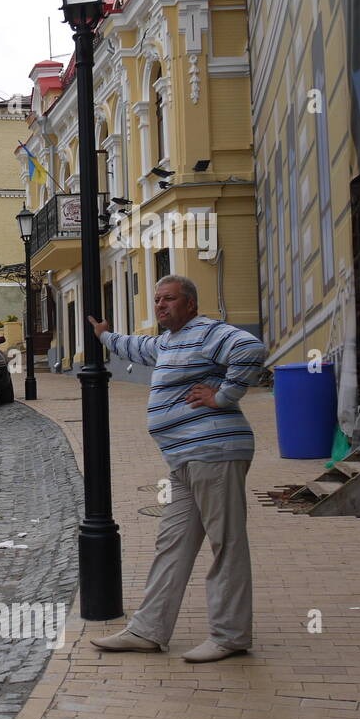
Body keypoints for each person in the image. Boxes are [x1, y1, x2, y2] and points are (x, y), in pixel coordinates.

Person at [88, 274, 267, 663]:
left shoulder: (206, 332)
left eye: (169, 299)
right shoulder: (167, 341)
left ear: (190, 304)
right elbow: (135, 347)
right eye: (156, 300)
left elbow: (251, 348)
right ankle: (148, 630)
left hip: (214, 453)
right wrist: (104, 336)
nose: (160, 306)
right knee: (172, 543)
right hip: (184, 460)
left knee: (226, 544)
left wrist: (223, 396)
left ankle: (230, 636)